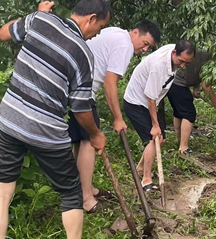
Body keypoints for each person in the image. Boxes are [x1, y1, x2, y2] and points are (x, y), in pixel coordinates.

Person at [0, 0, 111, 239]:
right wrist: (95, 134)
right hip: (46, 131)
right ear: (90, 18)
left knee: (1, 191)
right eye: (99, 27)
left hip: (9, 120)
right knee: (70, 191)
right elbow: (80, 108)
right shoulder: (83, 54)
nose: (97, 34)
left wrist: (34, 14)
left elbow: (3, 33)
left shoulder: (40, 20)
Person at [68, 20, 161, 213]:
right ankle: (85, 198)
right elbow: (110, 84)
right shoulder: (125, 45)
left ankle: (85, 188)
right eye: (144, 43)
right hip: (82, 90)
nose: (144, 49)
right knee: (88, 142)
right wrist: (118, 118)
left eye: (148, 47)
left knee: (79, 142)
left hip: (72, 86)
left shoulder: (115, 33)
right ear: (135, 32)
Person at [123, 41, 196, 193]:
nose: (182, 66)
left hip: (147, 102)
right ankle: (146, 180)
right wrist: (155, 125)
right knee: (153, 139)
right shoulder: (159, 67)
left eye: (186, 63)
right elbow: (150, 98)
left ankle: (141, 168)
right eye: (181, 61)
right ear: (175, 53)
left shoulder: (174, 53)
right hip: (136, 103)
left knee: (160, 138)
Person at [167, 49, 216, 154]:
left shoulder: (204, 55)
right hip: (177, 83)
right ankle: (183, 148)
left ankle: (178, 140)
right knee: (189, 114)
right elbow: (206, 86)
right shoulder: (212, 62)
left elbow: (196, 71)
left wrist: (195, 88)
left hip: (171, 81)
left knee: (179, 112)